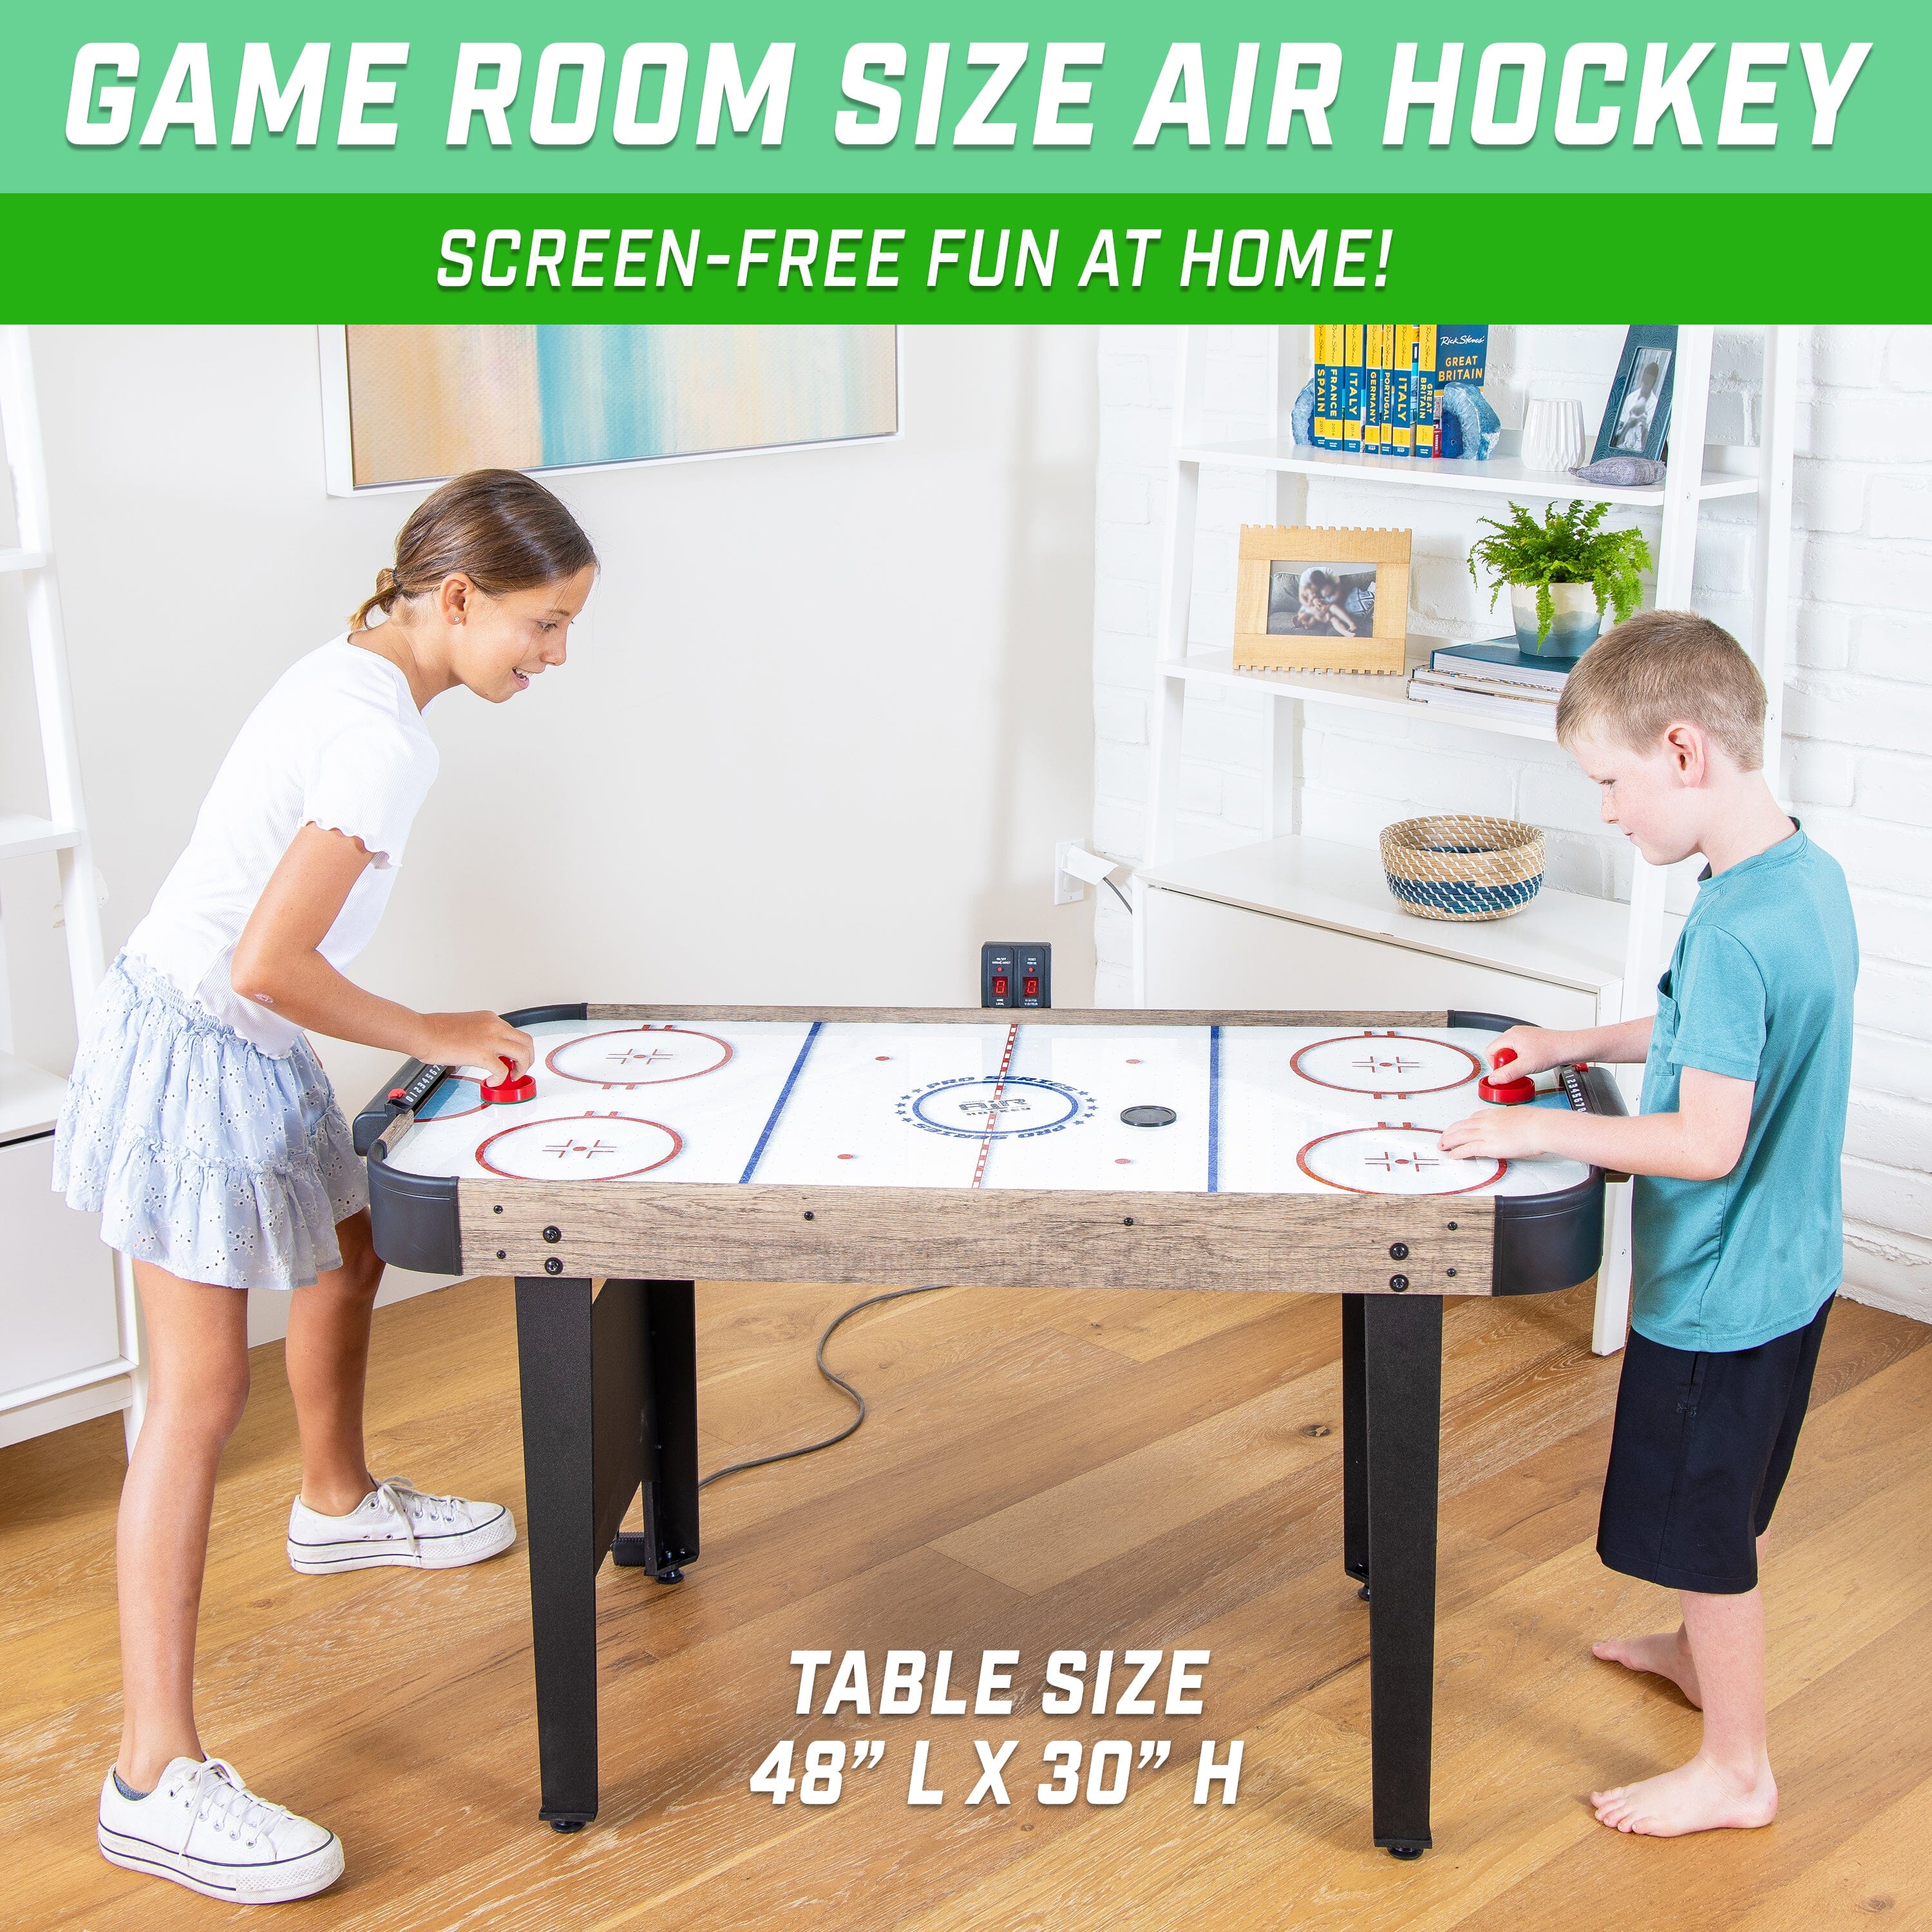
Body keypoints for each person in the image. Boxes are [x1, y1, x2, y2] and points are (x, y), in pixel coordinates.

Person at [56, 468, 598, 1902]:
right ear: (459, 597)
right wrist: (437, 1033)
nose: (551, 660)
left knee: (344, 1251)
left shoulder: (350, 669)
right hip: (205, 1035)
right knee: (192, 1404)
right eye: (540, 628)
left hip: (221, 1029)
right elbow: (266, 964)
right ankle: (151, 1776)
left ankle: (338, 1502)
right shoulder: (383, 747)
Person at [1437, 610, 1856, 1839]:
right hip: (1796, 1269)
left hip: (1717, 1296)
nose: (1610, 814)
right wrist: (1575, 1046)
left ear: (1683, 751)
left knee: (1705, 1528)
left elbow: (1704, 1141)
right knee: (1725, 1501)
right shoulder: (1795, 879)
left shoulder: (1729, 927)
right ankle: (1692, 1654)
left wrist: (1541, 1130)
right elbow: (1707, 1046)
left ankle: (1738, 1768)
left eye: (1611, 784)